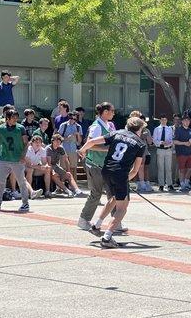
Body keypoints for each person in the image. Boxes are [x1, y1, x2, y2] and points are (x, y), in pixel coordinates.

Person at [79, 117, 146, 248]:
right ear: (139, 129)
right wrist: (125, 180)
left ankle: (96, 225)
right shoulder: (140, 144)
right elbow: (135, 170)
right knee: (122, 208)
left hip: (106, 170)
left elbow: (92, 141)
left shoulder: (117, 133)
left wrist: (82, 150)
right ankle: (107, 236)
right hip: (120, 173)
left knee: (114, 198)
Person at [77, 102, 117, 231]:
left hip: (106, 165)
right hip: (95, 164)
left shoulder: (108, 125)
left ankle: (116, 221)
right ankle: (84, 220)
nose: (113, 113)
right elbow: (90, 144)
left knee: (113, 194)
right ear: (105, 112)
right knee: (96, 193)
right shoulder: (96, 126)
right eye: (112, 111)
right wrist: (108, 150)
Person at [0, 109, 30, 211]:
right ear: (7, 118)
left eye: (17, 117)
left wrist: (23, 156)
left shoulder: (20, 128)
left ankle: (25, 203)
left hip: (17, 159)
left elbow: (26, 143)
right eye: (13, 117)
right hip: (4, 158)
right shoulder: (1, 129)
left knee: (21, 182)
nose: (16, 119)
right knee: (0, 181)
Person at [57, 111, 83, 181]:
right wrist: (67, 138)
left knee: (73, 168)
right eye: (71, 118)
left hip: (73, 150)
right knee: (63, 168)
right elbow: (58, 138)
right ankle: (62, 185)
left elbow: (79, 141)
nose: (72, 120)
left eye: (75, 119)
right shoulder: (63, 125)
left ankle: (73, 186)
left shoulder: (78, 127)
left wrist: (77, 134)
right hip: (63, 150)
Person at [152, 114, 175, 191]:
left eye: (165, 120)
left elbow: (172, 139)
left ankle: (169, 184)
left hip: (168, 149)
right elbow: (154, 140)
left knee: (169, 168)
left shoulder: (169, 129)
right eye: (162, 119)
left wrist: (169, 143)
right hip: (160, 149)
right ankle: (161, 184)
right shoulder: (157, 129)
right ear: (160, 120)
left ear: (167, 120)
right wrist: (161, 142)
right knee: (161, 167)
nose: (164, 121)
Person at [173, 114, 191, 191]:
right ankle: (182, 184)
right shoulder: (178, 130)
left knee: (190, 168)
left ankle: (186, 182)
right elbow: (174, 141)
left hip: (190, 152)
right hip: (181, 153)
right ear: (182, 121)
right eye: (185, 120)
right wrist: (184, 143)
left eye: (188, 120)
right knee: (182, 169)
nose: (187, 122)